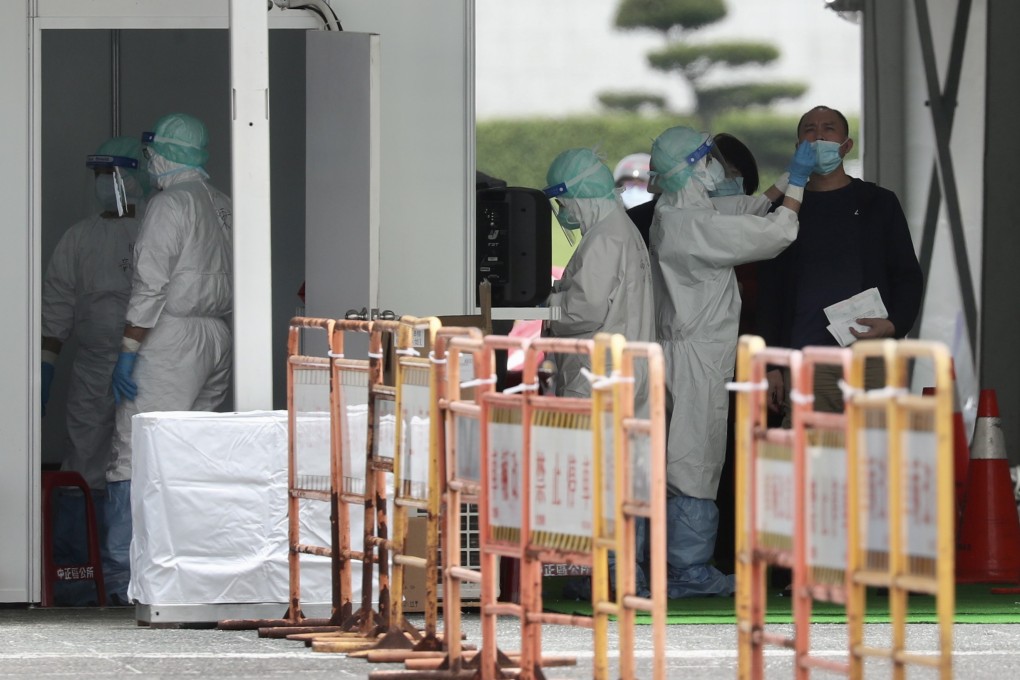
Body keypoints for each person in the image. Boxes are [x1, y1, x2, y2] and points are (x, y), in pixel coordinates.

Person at [647, 125, 814, 598]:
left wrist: (785, 178)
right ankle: (688, 570)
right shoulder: (691, 225)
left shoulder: (678, 210)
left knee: (685, 455)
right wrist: (799, 182)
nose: (717, 165)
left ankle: (676, 563)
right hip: (696, 355)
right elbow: (776, 232)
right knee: (693, 459)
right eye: (710, 157)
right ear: (698, 166)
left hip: (687, 350)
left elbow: (741, 209)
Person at [104, 113, 233, 605]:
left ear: (162, 154)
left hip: (171, 338)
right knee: (193, 453)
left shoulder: (167, 204)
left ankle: (124, 580)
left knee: (132, 450)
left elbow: (150, 284)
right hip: (216, 335)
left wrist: (129, 351)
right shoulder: (220, 203)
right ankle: (190, 574)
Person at [757, 106, 923, 417]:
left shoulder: (878, 203)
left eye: (828, 128)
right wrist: (772, 364)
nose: (818, 134)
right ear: (798, 148)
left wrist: (894, 324)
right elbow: (770, 293)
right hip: (804, 356)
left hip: (869, 354)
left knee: (872, 453)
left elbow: (907, 275)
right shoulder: (785, 211)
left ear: (846, 145)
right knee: (813, 456)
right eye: (809, 129)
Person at [40, 136, 150, 605]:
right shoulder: (79, 238)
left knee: (138, 462)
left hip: (146, 362)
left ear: (135, 176)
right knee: (84, 461)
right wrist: (44, 370)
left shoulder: (152, 229)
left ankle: (132, 575)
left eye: (116, 173)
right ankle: (80, 574)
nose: (107, 184)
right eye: (100, 175)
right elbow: (56, 308)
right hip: (91, 364)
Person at [542, 148, 654, 402]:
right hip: (619, 369)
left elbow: (585, 309)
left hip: (597, 376)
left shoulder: (605, 238)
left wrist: (549, 304)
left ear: (578, 196)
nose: (562, 210)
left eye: (563, 202)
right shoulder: (619, 229)